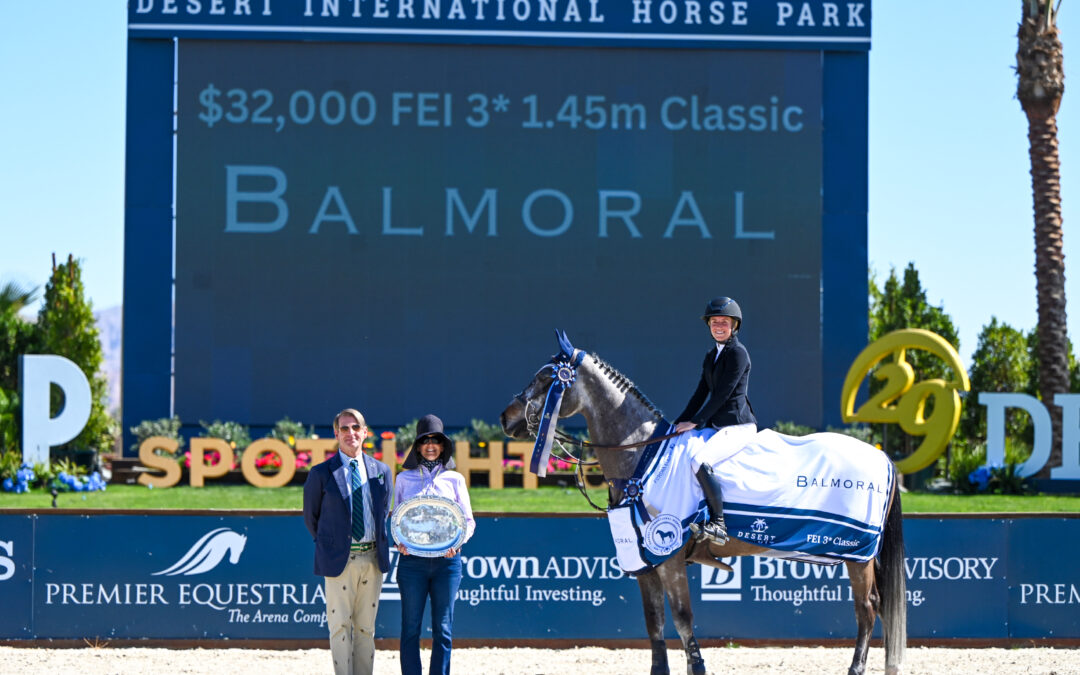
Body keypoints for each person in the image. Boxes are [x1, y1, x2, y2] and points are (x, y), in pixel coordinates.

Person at [303, 408, 392, 675]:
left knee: (366, 628)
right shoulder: (321, 473)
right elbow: (311, 517)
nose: (350, 433)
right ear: (336, 433)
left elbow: (383, 514)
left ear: (365, 433)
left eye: (356, 428)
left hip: (372, 560)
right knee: (339, 627)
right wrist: (332, 546)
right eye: (344, 428)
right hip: (338, 561)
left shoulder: (382, 471)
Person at [393, 414, 475, 675]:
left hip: (447, 564)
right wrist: (399, 541)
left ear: (443, 446)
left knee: (444, 629)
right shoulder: (403, 479)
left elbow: (468, 521)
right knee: (410, 628)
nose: (430, 445)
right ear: (417, 446)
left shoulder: (456, 479)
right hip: (411, 564)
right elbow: (396, 519)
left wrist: (459, 541)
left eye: (436, 441)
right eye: (425, 440)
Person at [673, 296, 758, 545]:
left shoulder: (738, 354)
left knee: (700, 459)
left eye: (724, 322)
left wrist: (696, 422)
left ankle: (718, 524)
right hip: (717, 426)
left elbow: (722, 395)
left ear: (734, 326)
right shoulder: (712, 355)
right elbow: (700, 393)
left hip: (738, 426)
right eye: (714, 321)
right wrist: (676, 424)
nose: (718, 326)